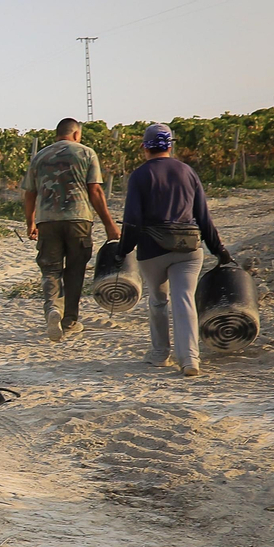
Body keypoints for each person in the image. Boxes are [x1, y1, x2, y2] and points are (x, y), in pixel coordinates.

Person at [119, 123, 232, 376]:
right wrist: (218, 249)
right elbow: (204, 217)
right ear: (171, 145)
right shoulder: (188, 172)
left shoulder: (139, 176)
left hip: (152, 250)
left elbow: (133, 220)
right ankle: (190, 359)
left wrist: (123, 249)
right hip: (188, 249)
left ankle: (160, 354)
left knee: (158, 301)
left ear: (144, 148)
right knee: (184, 300)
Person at [22, 118, 120, 341]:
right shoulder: (86, 153)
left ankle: (53, 309)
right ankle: (70, 320)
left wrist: (30, 222)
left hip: (47, 221)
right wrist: (109, 224)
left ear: (58, 134)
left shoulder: (40, 157)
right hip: (79, 220)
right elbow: (95, 191)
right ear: (76, 134)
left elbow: (29, 193)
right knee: (75, 270)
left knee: (50, 269)